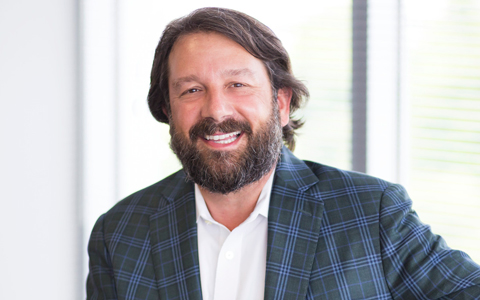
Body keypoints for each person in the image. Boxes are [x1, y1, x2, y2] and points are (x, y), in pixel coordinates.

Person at [86, 7, 480, 300]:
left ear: (282, 104)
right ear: (169, 111)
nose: (216, 111)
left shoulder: (372, 213)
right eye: (191, 90)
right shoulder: (119, 233)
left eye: (238, 84)